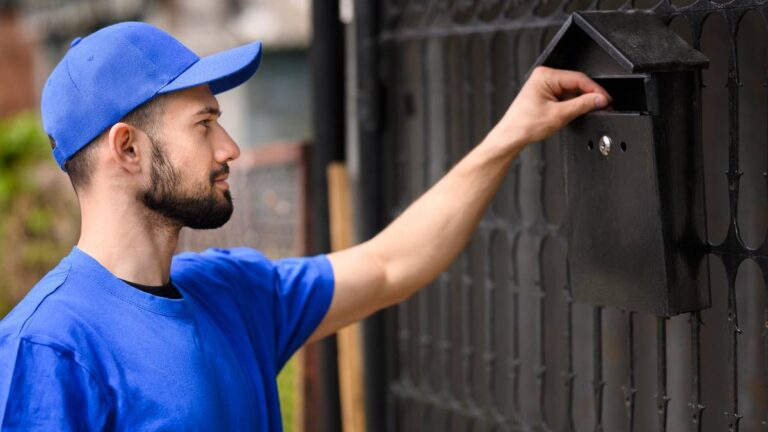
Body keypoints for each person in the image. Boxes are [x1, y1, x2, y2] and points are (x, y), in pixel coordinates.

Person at [0, 22, 610, 431]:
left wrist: (511, 133)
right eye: (205, 123)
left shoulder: (233, 294)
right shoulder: (49, 350)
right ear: (127, 150)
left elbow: (390, 265)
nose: (230, 147)